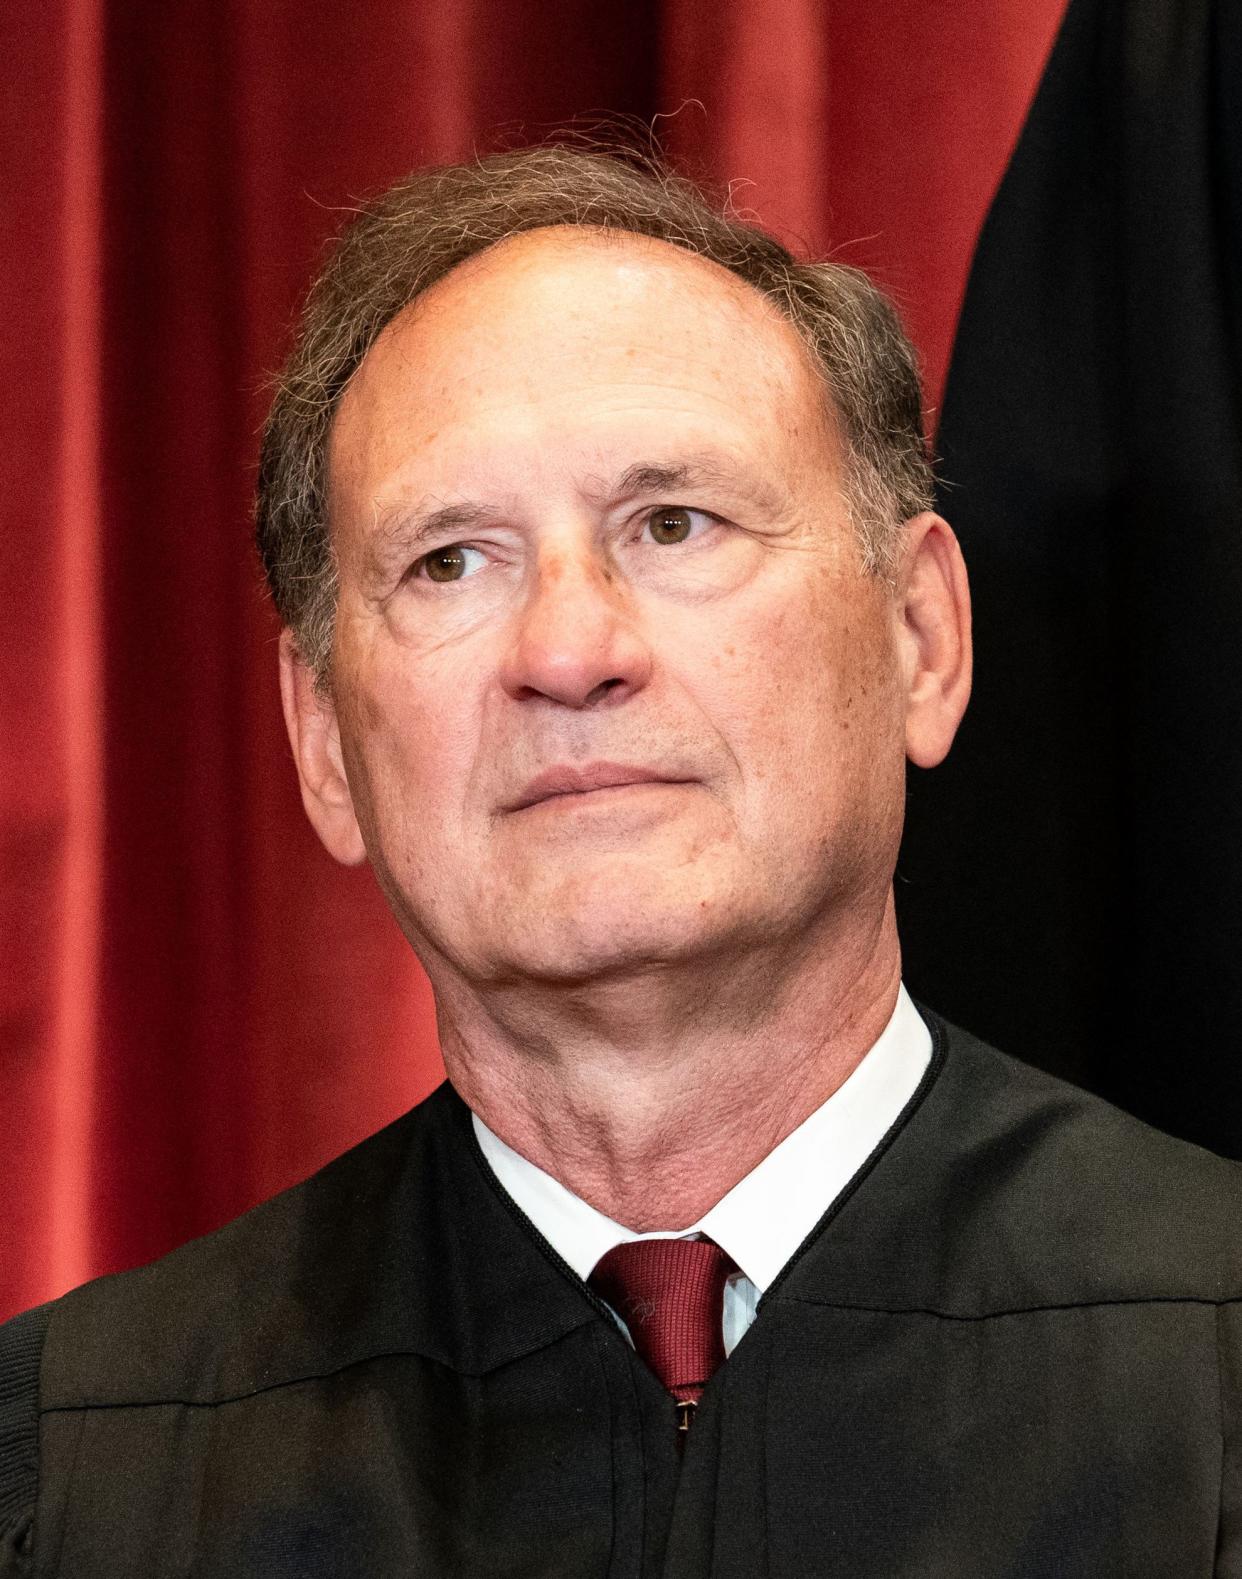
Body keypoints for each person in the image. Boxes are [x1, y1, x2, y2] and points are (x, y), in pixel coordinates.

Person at [2, 145, 1239, 1578]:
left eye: (671, 524)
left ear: (919, 638)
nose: (569, 651)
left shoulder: (1210, 1361)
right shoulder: (80, 1478)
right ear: (325, 741)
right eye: (451, 561)